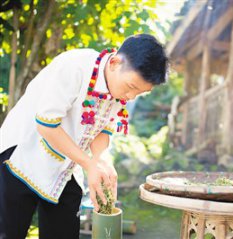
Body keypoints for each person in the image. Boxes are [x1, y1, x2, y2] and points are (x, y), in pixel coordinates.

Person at [0, 34, 168, 239]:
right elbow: (47, 125)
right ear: (115, 63)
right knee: (9, 233)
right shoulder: (75, 67)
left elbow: (103, 130)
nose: (131, 97)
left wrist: (100, 162)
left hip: (66, 166)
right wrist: (89, 164)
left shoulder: (118, 90)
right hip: (22, 155)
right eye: (132, 87)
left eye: (140, 93)